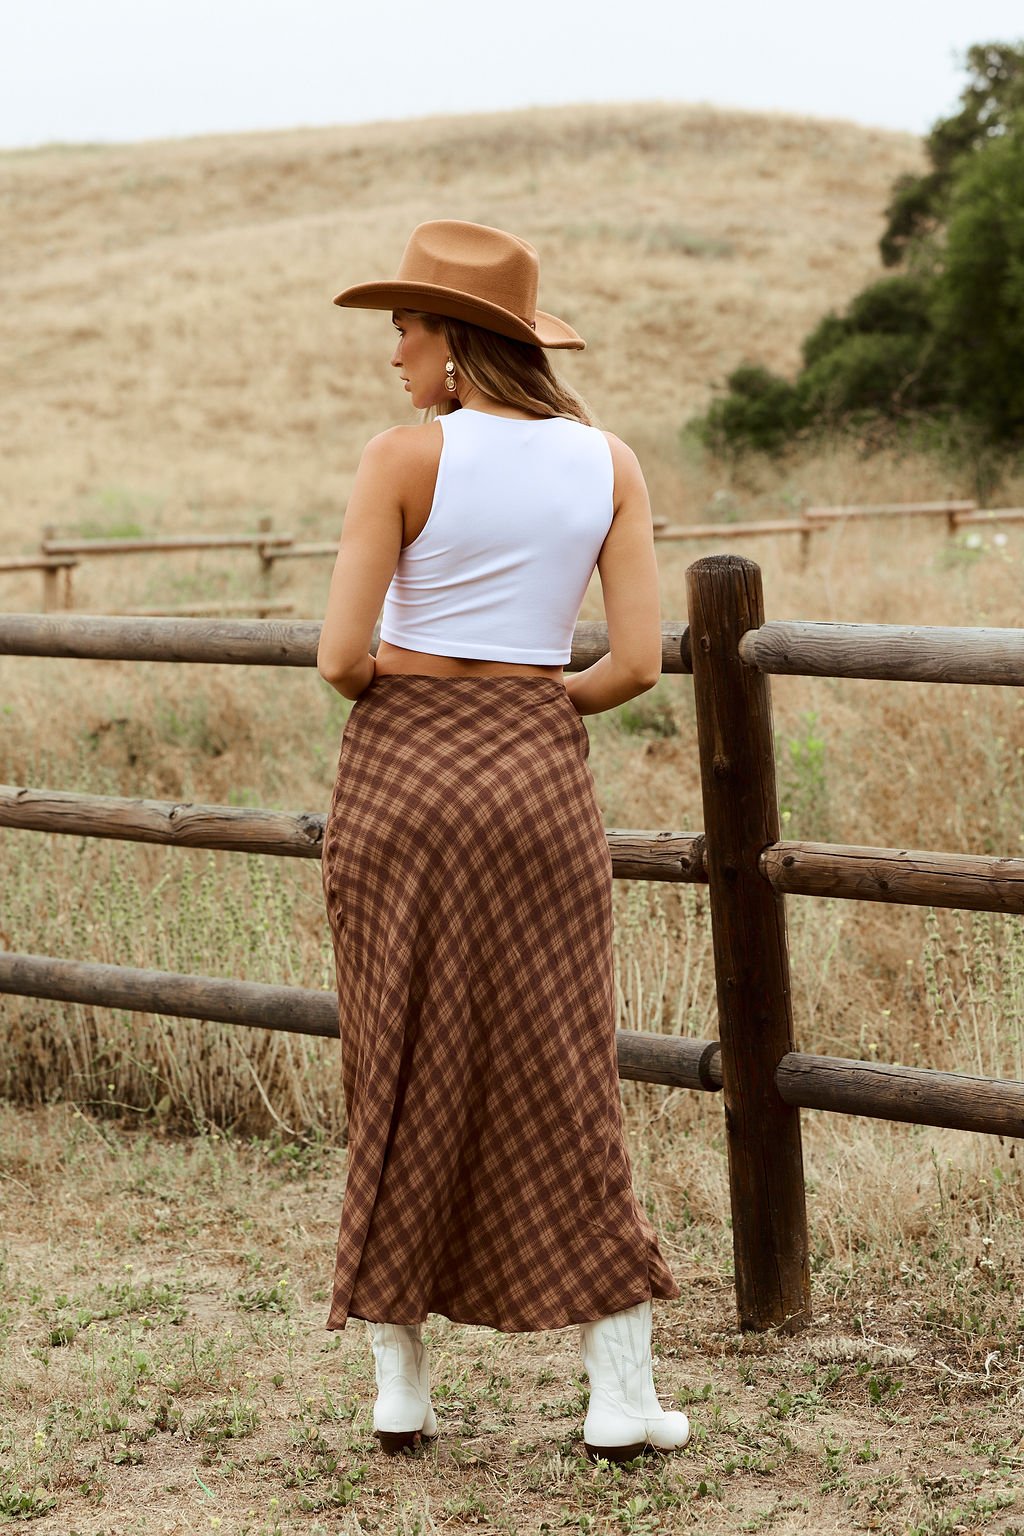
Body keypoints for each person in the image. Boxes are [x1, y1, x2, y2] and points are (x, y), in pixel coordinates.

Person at [317, 220, 689, 1463]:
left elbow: (338, 660)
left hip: (404, 774)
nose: (396, 359)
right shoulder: (610, 462)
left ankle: (401, 1387)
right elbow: (632, 663)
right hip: (534, 778)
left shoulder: (401, 457)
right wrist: (525, 705)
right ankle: (621, 1394)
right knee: (565, 1068)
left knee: (398, 1057)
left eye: (407, 332)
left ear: (459, 346)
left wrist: (429, 698)